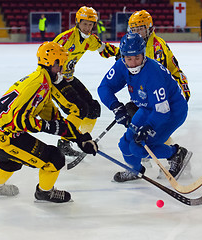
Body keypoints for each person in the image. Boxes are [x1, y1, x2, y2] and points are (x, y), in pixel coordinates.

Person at [0, 41, 98, 203]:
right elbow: (23, 121)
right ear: (52, 64)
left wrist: (79, 137)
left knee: (10, 161)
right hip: (3, 135)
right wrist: (50, 128)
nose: (62, 70)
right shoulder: (38, 84)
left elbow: (53, 116)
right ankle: (45, 193)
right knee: (54, 158)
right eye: (60, 65)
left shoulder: (41, 80)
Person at [98, 33, 191, 182]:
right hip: (148, 108)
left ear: (143, 54)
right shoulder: (122, 65)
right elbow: (104, 88)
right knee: (125, 144)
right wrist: (116, 107)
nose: (133, 63)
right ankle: (135, 170)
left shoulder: (153, 74)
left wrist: (148, 127)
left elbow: (162, 111)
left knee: (139, 148)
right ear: (123, 57)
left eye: (137, 57)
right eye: (129, 58)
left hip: (172, 111)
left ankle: (176, 153)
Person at [126, 10, 190, 178]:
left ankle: (176, 157)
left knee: (155, 128)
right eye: (133, 29)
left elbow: (155, 82)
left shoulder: (156, 48)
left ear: (149, 29)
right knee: (138, 126)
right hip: (156, 93)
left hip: (170, 93)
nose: (136, 33)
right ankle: (146, 157)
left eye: (140, 29)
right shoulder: (137, 46)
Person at [52, 6, 119, 156]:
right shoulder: (65, 38)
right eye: (85, 24)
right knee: (79, 109)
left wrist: (122, 54)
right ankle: (64, 143)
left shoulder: (90, 39)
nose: (88, 27)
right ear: (77, 22)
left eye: (91, 24)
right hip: (55, 82)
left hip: (69, 78)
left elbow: (104, 49)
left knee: (94, 108)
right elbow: (48, 59)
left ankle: (83, 139)